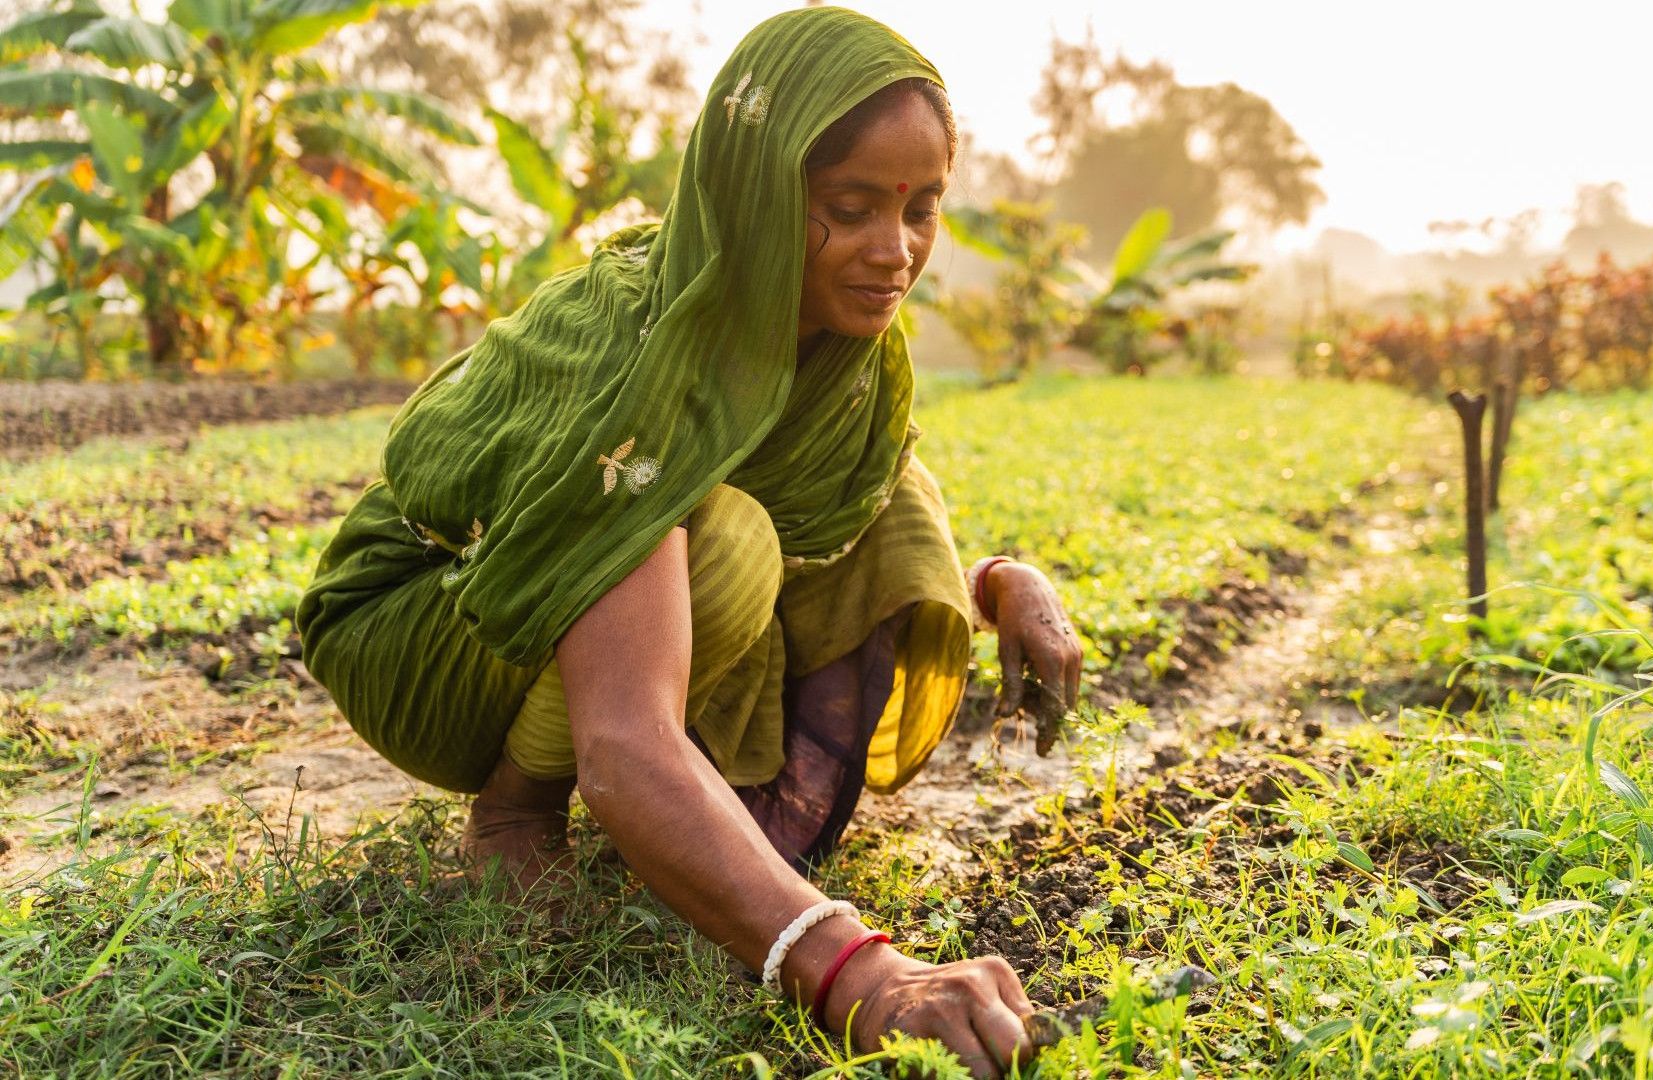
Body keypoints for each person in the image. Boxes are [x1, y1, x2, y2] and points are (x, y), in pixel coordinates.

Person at [293, 7, 1083, 1076]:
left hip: (580, 609)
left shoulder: (845, 358)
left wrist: (999, 582)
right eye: (849, 209)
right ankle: (515, 815)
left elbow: (854, 520)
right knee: (720, 542)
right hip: (423, 627)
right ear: (757, 193)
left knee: (895, 495)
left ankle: (705, 825)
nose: (893, 251)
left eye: (922, 209)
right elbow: (622, 745)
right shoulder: (639, 346)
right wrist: (862, 975)